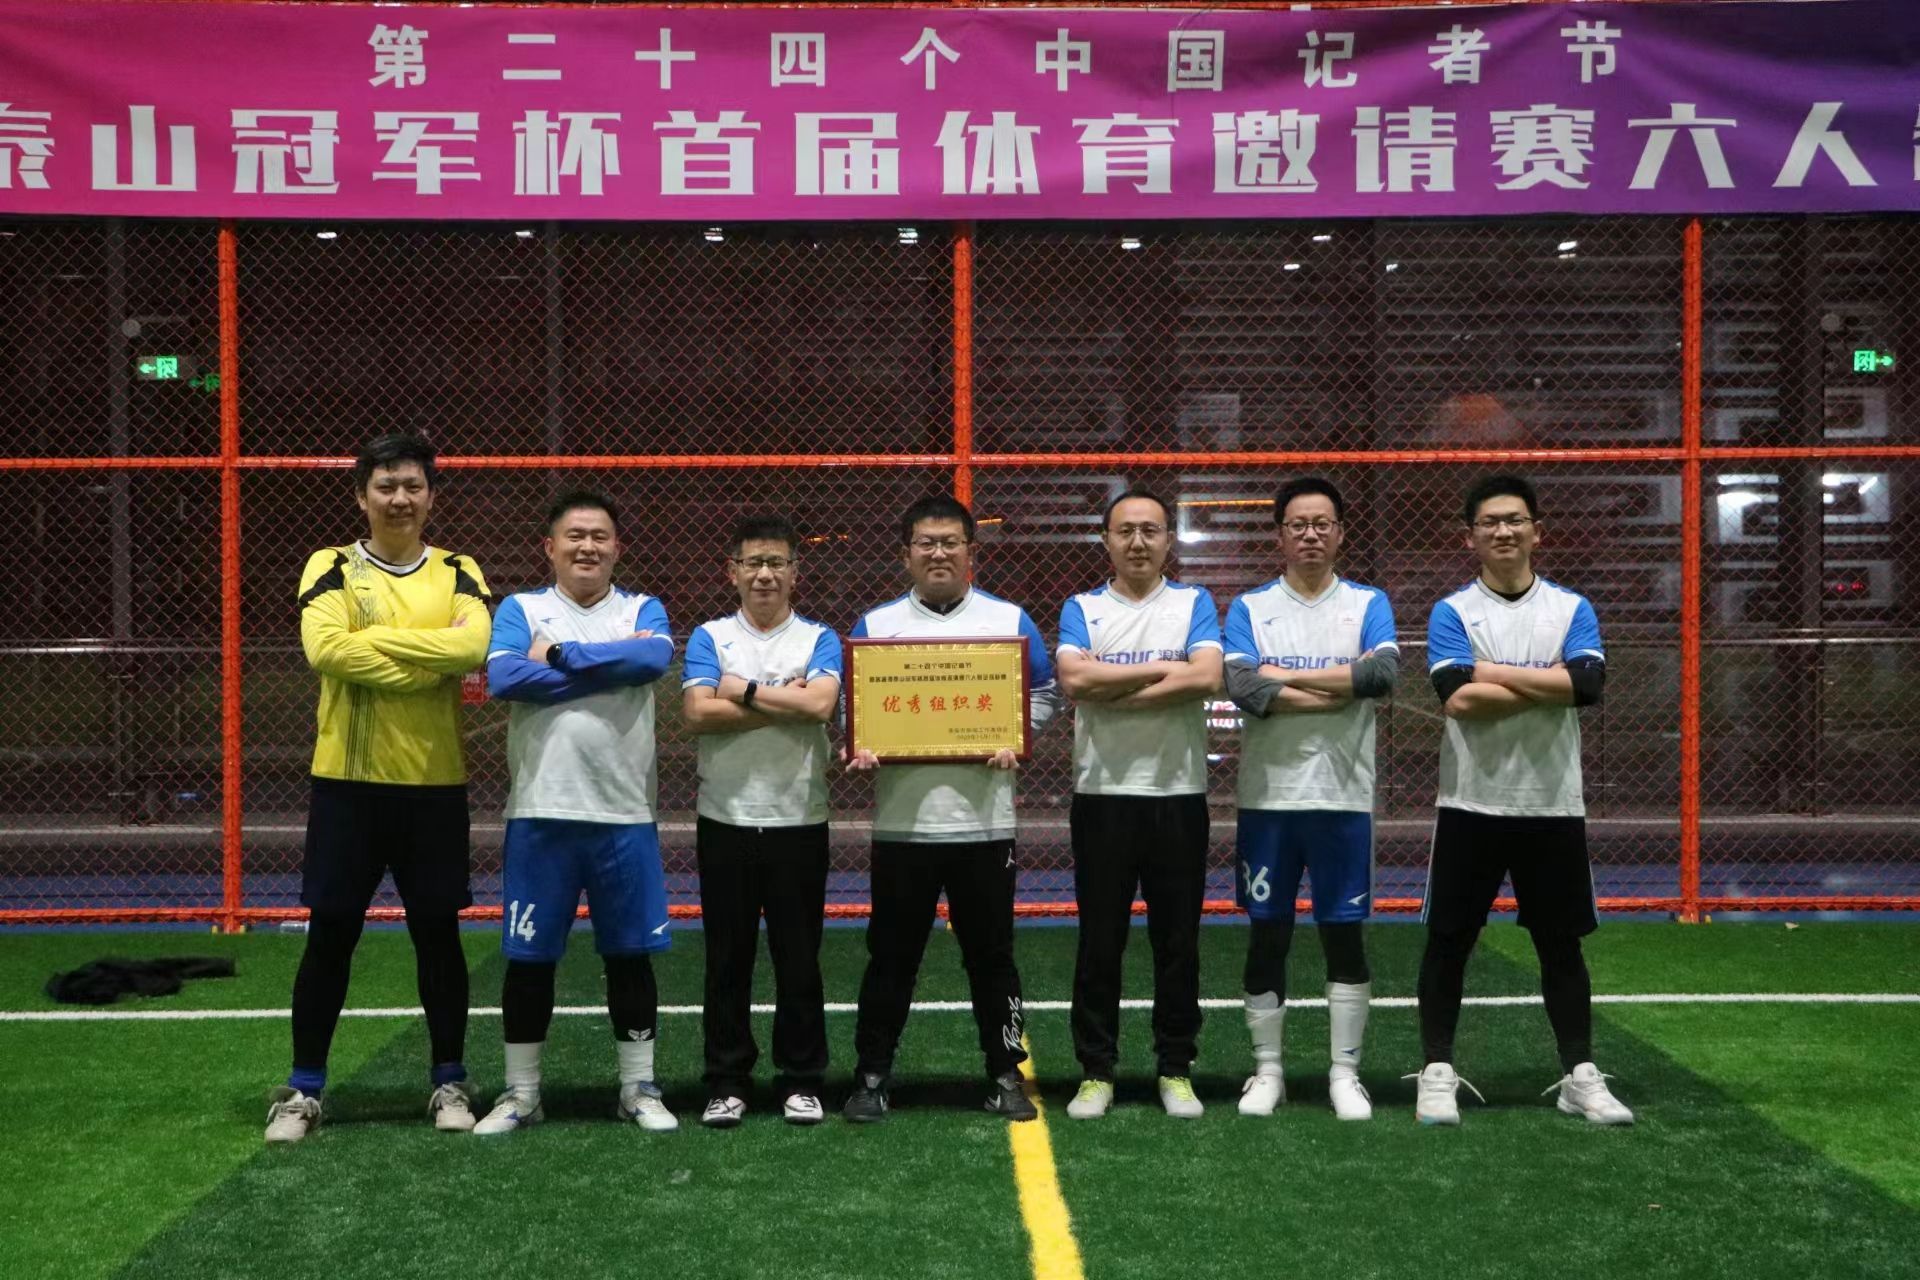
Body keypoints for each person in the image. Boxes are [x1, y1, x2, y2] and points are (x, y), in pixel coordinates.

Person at [266, 433, 492, 1144]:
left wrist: (379, 643)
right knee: (331, 935)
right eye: (386, 486)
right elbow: (325, 649)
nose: (400, 498)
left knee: (438, 936)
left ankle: (450, 1081)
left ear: (431, 497)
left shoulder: (458, 570)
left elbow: (473, 647)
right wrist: (427, 667)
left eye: (413, 486)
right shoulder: (330, 564)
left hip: (433, 785)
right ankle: (304, 1090)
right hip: (347, 785)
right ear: (361, 496)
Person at [1416, 474, 1633, 1127]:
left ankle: (1579, 1076)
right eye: (1490, 522)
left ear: (1538, 531)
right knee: (1449, 942)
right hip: (1470, 804)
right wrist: (1549, 681)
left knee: (1560, 946)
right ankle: (1436, 1071)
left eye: (1514, 520)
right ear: (1470, 537)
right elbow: (1457, 698)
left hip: (1552, 805)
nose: (1503, 531)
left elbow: (1588, 685)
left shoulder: (1570, 609)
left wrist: (1491, 672)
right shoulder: (1453, 612)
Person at [841, 495, 1058, 1123]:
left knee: (992, 957)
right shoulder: (877, 626)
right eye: (926, 543)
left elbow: (1045, 693)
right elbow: (851, 708)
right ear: (906, 554)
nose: (938, 553)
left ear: (970, 551)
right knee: (891, 957)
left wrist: (1017, 736)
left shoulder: (1009, 619)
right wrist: (859, 742)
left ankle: (1005, 1073)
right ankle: (872, 1075)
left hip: (985, 825)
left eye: (950, 542)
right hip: (903, 825)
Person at [470, 491, 679, 1135]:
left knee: (630, 956)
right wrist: (613, 666)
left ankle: (638, 1088)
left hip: (625, 813)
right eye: (574, 535)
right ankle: (522, 1093)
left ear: (617, 547)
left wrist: (558, 656)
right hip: (542, 811)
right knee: (529, 959)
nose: (587, 546)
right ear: (550, 547)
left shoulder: (642, 608)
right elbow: (505, 678)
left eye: (599, 536)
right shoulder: (521, 607)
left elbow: (654, 659)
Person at [1222, 477, 1398, 1123]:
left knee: (1343, 938)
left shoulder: (1367, 602)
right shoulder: (1251, 607)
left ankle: (1344, 1074)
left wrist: (1284, 678)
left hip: (1343, 797)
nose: (1311, 535)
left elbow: (1380, 675)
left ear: (1341, 533)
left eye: (1323, 524)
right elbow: (1243, 688)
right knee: (1267, 936)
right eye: (1298, 524)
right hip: (1268, 799)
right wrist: (1335, 688)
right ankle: (1267, 1071)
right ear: (1280, 535)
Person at [1055, 487, 1223, 1120]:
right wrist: (1163, 671)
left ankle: (1175, 1068)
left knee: (1177, 942)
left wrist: (1116, 687)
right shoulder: (1083, 607)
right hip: (1102, 797)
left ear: (1168, 540)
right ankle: (1096, 1071)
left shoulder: (1193, 603)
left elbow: (1207, 676)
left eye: (1150, 530)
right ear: (1106, 540)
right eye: (1125, 530)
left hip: (1177, 795)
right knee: (1101, 941)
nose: (1138, 542)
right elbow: (1075, 680)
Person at [681, 514, 842, 1129]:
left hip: (800, 818)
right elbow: (697, 713)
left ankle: (801, 1079)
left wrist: (741, 689)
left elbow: (821, 705)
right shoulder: (711, 636)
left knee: (799, 958)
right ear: (733, 572)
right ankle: (727, 1081)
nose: (765, 574)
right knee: (728, 958)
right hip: (724, 818)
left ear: (796, 572)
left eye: (777, 563)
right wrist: (784, 701)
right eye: (754, 563)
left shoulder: (819, 637)